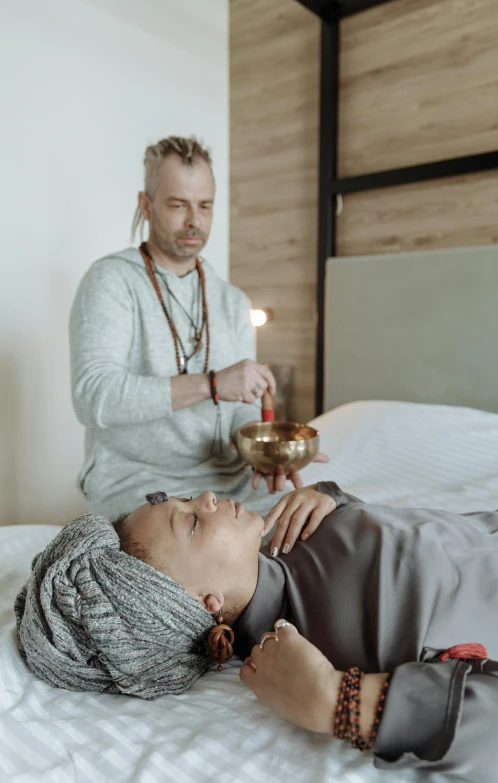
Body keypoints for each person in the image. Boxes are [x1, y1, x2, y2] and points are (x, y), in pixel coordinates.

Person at [15, 483, 498, 782]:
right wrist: (340, 702)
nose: (206, 498)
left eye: (186, 500)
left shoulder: (282, 537)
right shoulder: (333, 640)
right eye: (190, 523)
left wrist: (330, 498)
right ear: (203, 602)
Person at [69, 135, 325, 520]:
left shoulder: (232, 301)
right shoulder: (110, 281)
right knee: (206, 554)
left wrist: (262, 450)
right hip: (139, 485)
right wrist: (212, 384)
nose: (195, 220)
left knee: (323, 521)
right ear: (146, 204)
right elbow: (94, 397)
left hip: (229, 486)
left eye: (205, 206)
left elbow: (242, 409)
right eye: (178, 205)